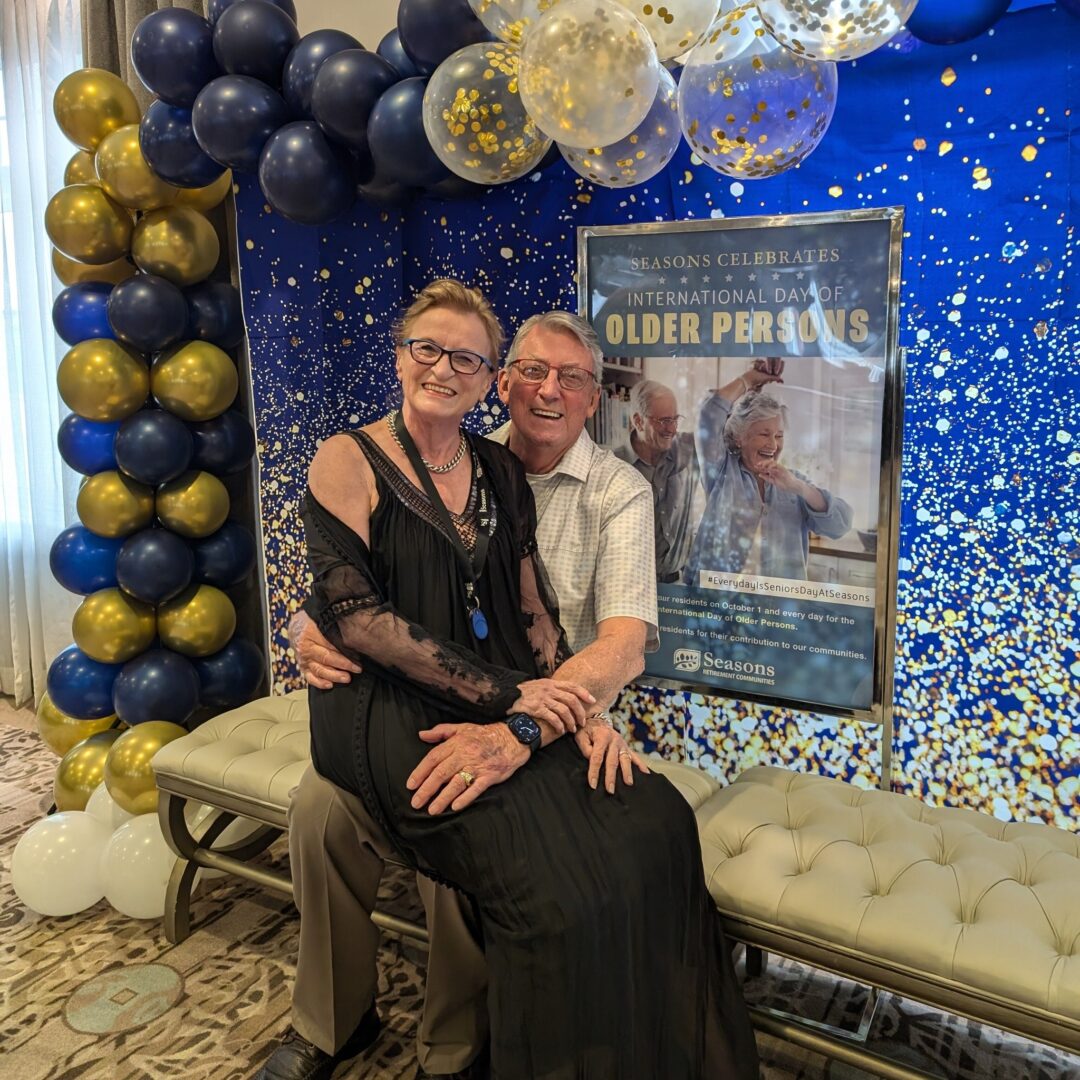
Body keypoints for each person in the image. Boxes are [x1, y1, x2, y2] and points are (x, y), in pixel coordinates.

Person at [259, 284, 758, 1080]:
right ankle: (331, 1023)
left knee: (542, 828)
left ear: (595, 396)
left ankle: (460, 1046)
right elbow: (348, 587)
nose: (548, 390)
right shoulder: (443, 445)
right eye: (531, 371)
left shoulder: (612, 490)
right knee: (321, 812)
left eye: (569, 377)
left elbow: (618, 642)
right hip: (415, 704)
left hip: (533, 708)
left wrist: (561, 709)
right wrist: (299, 623)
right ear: (507, 382)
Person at [683, 359, 853, 584]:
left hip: (777, 611)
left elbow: (841, 524)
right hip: (719, 607)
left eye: (779, 435)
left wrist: (800, 488)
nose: (773, 445)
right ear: (739, 438)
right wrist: (750, 379)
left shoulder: (794, 483)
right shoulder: (723, 470)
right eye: (764, 434)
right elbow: (710, 414)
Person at [615, 379, 701, 582]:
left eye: (675, 419)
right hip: (630, 588)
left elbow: (722, 427)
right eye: (663, 421)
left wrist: (749, 384)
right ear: (638, 421)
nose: (671, 429)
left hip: (677, 585)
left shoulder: (687, 449)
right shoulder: (613, 466)